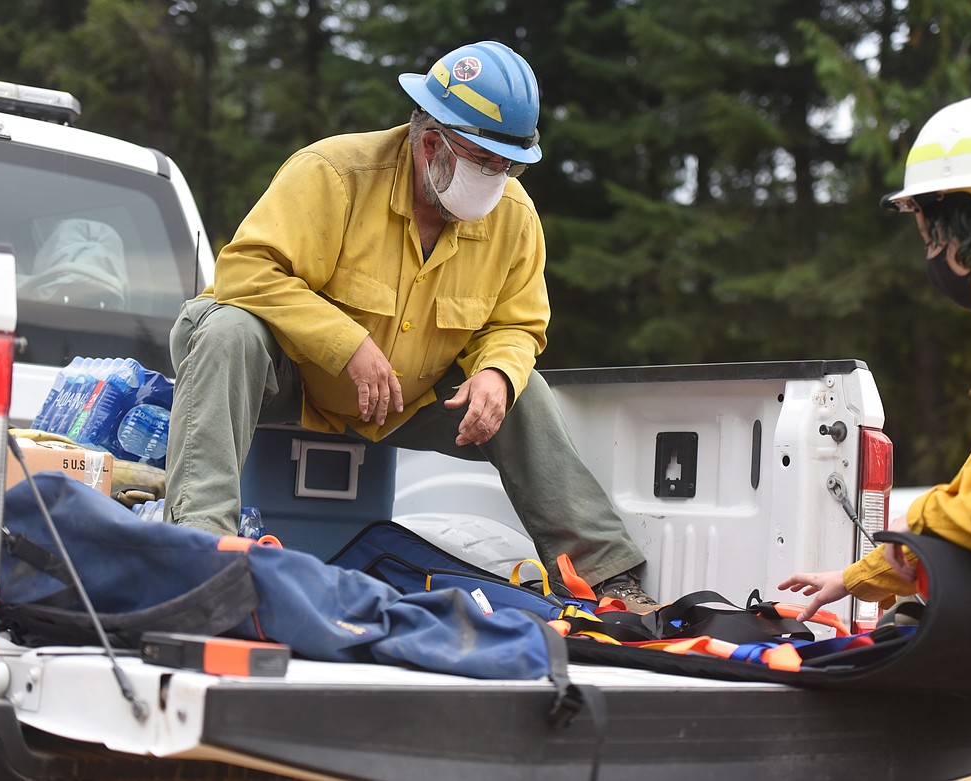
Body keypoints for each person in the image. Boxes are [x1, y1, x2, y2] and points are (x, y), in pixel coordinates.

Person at [163, 40, 654, 611]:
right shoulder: (333, 174)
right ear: (430, 144)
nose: (497, 181)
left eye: (509, 166)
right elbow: (245, 270)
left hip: (404, 401)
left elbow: (518, 325)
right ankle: (200, 550)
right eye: (483, 163)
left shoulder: (514, 218)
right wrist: (344, 343)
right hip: (289, 379)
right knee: (228, 331)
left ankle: (606, 577)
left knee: (524, 390)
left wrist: (496, 374)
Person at [779, 96, 971, 778]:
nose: (931, 251)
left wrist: (919, 519)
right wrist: (858, 576)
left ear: (963, 224)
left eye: (929, 231)